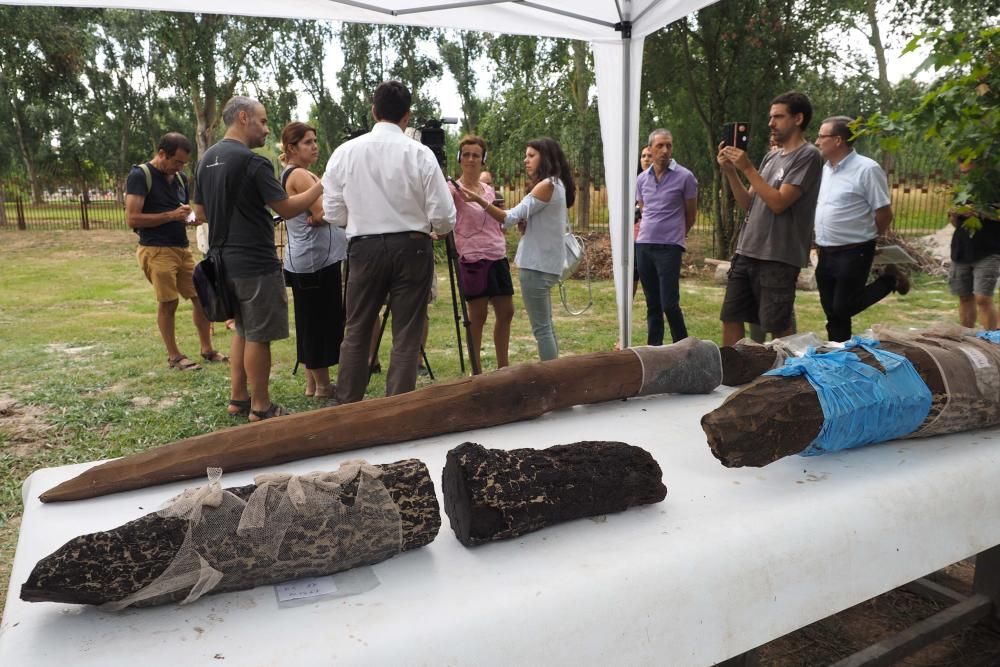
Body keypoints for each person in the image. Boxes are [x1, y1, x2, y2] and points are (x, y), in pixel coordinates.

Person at [322, 80, 455, 403]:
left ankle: (347, 408)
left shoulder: (345, 153)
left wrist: (360, 220)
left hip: (364, 247)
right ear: (407, 116)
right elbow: (444, 216)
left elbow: (332, 211)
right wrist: (432, 227)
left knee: (356, 330)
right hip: (412, 246)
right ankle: (398, 411)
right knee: (407, 335)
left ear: (373, 111)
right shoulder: (420, 154)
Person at [192, 96, 323, 421]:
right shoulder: (254, 163)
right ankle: (262, 407)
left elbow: (199, 213)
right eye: (263, 122)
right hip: (255, 262)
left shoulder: (206, 159)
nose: (267, 129)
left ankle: (238, 399)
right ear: (242, 118)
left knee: (242, 330)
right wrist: (321, 187)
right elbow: (288, 207)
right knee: (259, 335)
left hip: (222, 262)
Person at [717, 91, 824, 346]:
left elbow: (778, 203)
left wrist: (747, 168)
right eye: (770, 117)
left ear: (798, 118)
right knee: (730, 317)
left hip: (778, 257)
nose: (771, 123)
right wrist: (731, 173)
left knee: (777, 327)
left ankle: (783, 381)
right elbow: (748, 204)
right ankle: (734, 376)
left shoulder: (808, 156)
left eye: (778, 117)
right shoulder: (771, 156)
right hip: (747, 251)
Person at [458, 137, 576, 361]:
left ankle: (550, 377)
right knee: (547, 326)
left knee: (541, 329)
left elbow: (508, 218)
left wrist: (478, 200)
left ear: (546, 158)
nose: (526, 161)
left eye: (531, 156)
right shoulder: (557, 184)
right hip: (547, 263)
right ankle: (555, 372)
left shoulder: (546, 185)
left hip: (536, 265)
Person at [125, 132, 224, 372]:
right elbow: (132, 218)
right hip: (156, 250)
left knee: (201, 298)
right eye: (177, 162)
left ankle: (207, 349)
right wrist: (171, 216)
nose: (180, 167)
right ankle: (174, 356)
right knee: (168, 303)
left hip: (182, 248)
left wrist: (190, 218)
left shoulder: (179, 178)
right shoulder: (141, 175)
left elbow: (180, 212)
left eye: (183, 163)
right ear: (161, 154)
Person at [813, 115, 905, 342]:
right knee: (832, 312)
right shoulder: (824, 170)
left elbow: (884, 212)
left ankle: (889, 280)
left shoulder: (866, 169)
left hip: (855, 250)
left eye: (821, 136)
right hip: (826, 250)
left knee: (843, 306)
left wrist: (868, 237)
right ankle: (840, 352)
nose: (816, 141)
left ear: (838, 140)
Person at [279, 121, 346, 400]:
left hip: (304, 258)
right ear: (292, 148)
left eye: (315, 140)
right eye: (307, 142)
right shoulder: (302, 176)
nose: (314, 146)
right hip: (316, 261)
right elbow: (323, 213)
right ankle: (322, 386)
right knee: (320, 322)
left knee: (308, 322)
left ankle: (311, 384)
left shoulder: (292, 173)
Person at [447, 135, 515, 370]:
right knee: (478, 315)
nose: (470, 159)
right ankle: (476, 370)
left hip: (497, 254)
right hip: (472, 258)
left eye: (476, 155)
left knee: (506, 311)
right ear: (459, 158)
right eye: (466, 154)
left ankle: (503, 367)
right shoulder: (451, 189)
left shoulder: (488, 190)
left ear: (483, 159)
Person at [635, 130, 698, 344]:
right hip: (644, 244)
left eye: (668, 146)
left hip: (669, 246)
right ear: (650, 149)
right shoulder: (642, 178)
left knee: (669, 303)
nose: (664, 150)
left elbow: (691, 214)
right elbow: (644, 209)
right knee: (652, 302)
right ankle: (655, 349)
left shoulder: (685, 177)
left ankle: (683, 346)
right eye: (660, 146)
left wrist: (677, 235)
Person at [949, 159, 1000, 330]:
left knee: (983, 298)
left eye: (969, 171)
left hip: (988, 250)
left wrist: (980, 211)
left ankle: (991, 340)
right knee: (964, 296)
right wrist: (954, 214)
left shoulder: (994, 189)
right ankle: (967, 337)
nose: (966, 176)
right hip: (961, 249)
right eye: (963, 173)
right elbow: (956, 223)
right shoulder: (962, 191)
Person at [632, 146, 654, 298]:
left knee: (650, 278)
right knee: (632, 274)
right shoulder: (635, 181)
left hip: (653, 237)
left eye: (649, 156)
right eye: (643, 156)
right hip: (635, 236)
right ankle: (628, 307)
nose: (646, 159)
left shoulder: (660, 182)